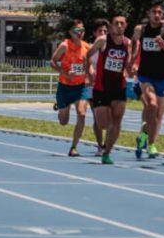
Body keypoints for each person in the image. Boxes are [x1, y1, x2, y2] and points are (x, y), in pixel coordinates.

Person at [131, 1, 164, 159]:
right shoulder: (141, 30)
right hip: (145, 75)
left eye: (160, 12)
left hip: (162, 77)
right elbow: (133, 45)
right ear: (148, 13)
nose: (157, 15)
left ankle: (149, 142)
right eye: (154, 12)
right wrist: (132, 62)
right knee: (151, 104)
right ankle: (145, 137)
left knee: (158, 115)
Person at [85, 14, 131, 164]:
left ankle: (107, 152)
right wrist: (90, 72)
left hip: (119, 87)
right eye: (116, 23)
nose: (119, 26)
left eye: (121, 23)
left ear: (126, 26)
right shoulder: (103, 41)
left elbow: (128, 63)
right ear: (111, 26)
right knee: (104, 124)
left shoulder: (128, 43)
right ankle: (106, 140)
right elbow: (87, 56)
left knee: (117, 122)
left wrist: (130, 69)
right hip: (101, 87)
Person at [50, 19, 91, 157]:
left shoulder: (87, 47)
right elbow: (53, 62)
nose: (80, 33)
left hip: (80, 87)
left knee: (82, 113)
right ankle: (60, 107)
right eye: (77, 31)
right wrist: (65, 73)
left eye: (82, 30)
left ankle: (74, 147)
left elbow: (89, 65)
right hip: (65, 86)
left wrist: (89, 77)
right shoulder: (64, 46)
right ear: (70, 33)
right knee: (63, 121)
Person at [87, 19, 108, 155]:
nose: (102, 33)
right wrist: (90, 73)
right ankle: (100, 145)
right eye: (100, 31)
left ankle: (108, 144)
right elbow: (86, 61)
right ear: (95, 33)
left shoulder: (112, 46)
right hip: (93, 86)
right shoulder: (91, 47)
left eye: (105, 31)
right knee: (97, 117)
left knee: (110, 116)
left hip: (109, 85)